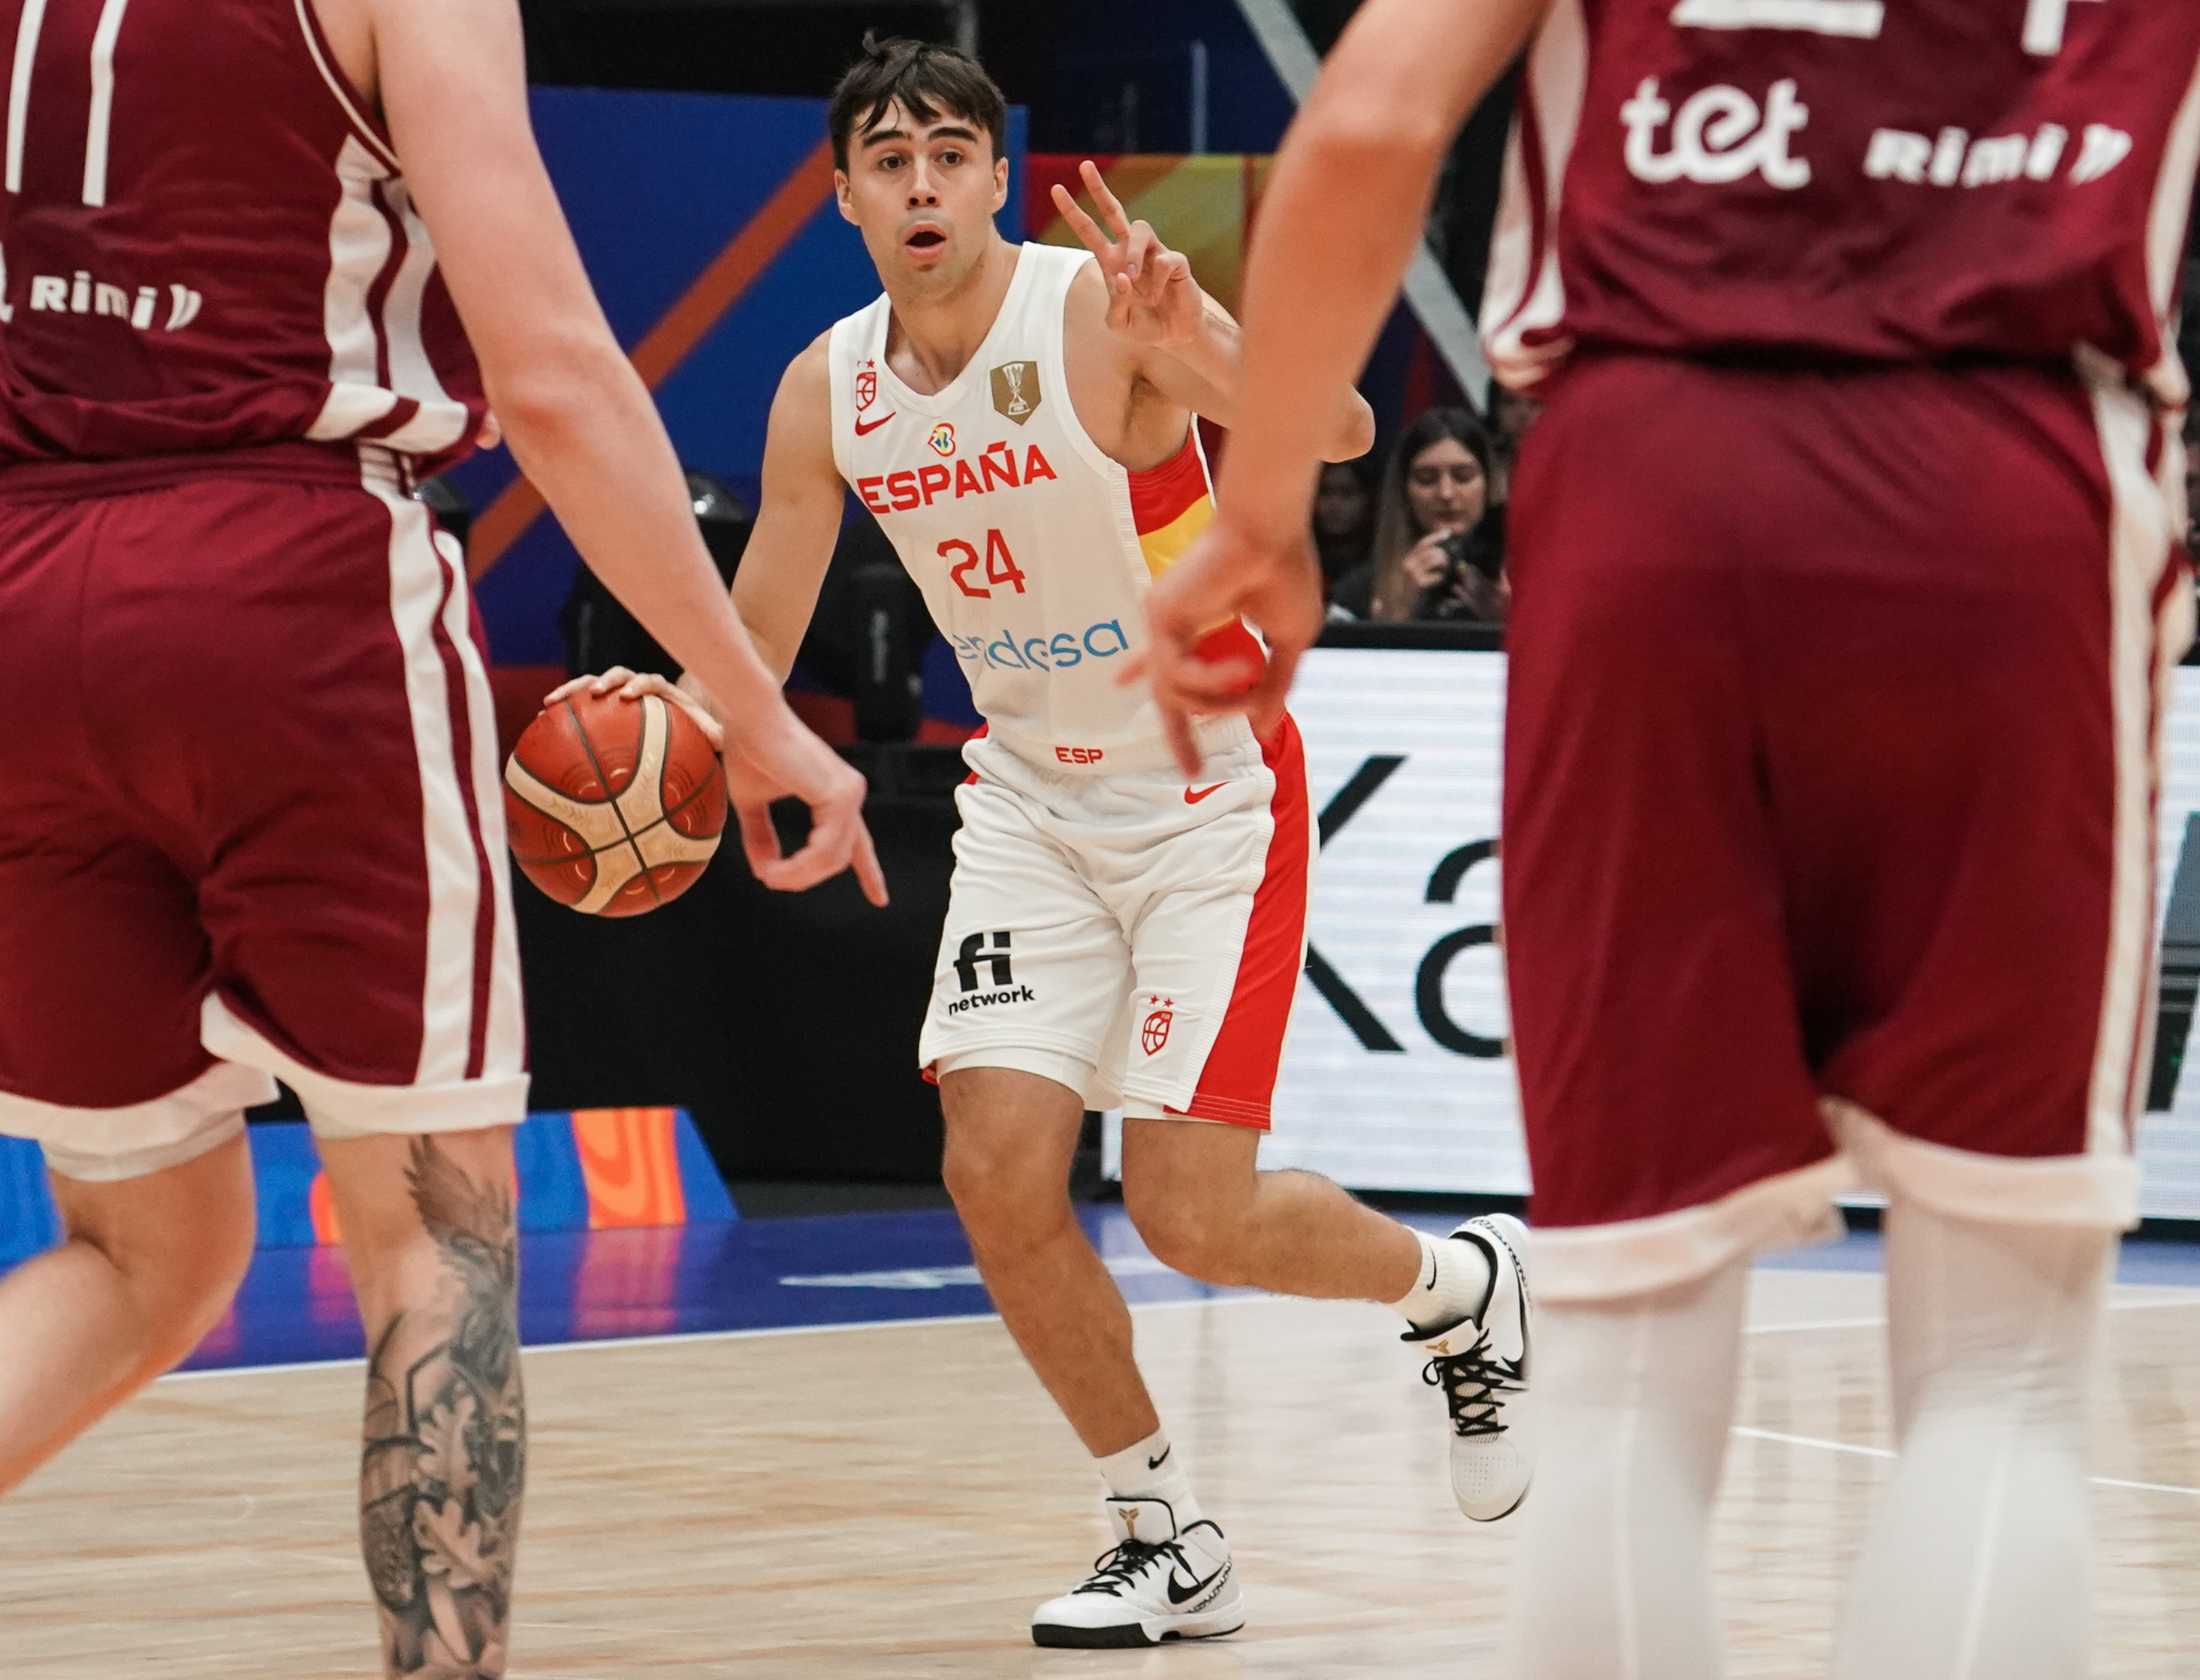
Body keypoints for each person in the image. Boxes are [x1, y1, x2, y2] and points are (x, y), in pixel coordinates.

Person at [0, 0, 881, 1675]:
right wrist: (750, 700)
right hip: (293, 582)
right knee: (434, 1232)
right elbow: (544, 365)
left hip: (20, 596)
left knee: (146, 1242)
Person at [1137, 2, 2200, 1677]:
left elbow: (1364, 126)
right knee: (2000, 1378)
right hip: (2016, 496)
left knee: (1628, 1365)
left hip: (1651, 486)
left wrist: (1262, 515)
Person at [587, 35, 1536, 1651]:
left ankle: (1457, 1285)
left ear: (995, 172)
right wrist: (670, 716)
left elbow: (1351, 432)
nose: (923, 182)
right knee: (994, 1172)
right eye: (888, 161)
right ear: (844, 200)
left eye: (951, 151)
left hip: (1206, 791)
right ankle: (1160, 1527)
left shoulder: (1098, 306)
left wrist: (1205, 340)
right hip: (1029, 800)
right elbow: (760, 631)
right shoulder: (831, 388)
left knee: (1188, 1211)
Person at [1345, 406, 1504, 623]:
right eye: (1427, 479)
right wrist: (1394, 614)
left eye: (1463, 477)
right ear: (1403, 489)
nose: (1446, 493)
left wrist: (1508, 621)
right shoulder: (1358, 588)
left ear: (1489, 484)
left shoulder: (1527, 582)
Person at [1310, 454, 1377, 607]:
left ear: (1368, 499)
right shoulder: (1299, 564)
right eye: (1326, 493)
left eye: (1347, 494)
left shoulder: (1381, 563)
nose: (1335, 506)